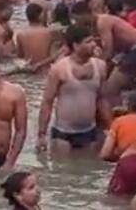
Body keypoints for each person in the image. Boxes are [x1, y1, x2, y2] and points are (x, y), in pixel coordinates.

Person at [37, 25, 109, 154]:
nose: (93, 44)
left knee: (89, 170)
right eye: (88, 42)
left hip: (89, 131)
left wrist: (109, 127)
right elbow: (47, 102)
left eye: (93, 40)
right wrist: (41, 135)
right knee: (63, 171)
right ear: (75, 46)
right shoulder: (59, 69)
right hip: (63, 133)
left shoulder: (101, 66)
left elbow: (102, 99)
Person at [70, 1, 136, 107]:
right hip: (128, 53)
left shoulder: (102, 22)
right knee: (107, 88)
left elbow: (108, 51)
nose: (78, 23)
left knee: (110, 89)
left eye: (78, 20)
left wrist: (97, 69)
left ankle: (118, 117)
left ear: (87, 14)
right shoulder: (93, 26)